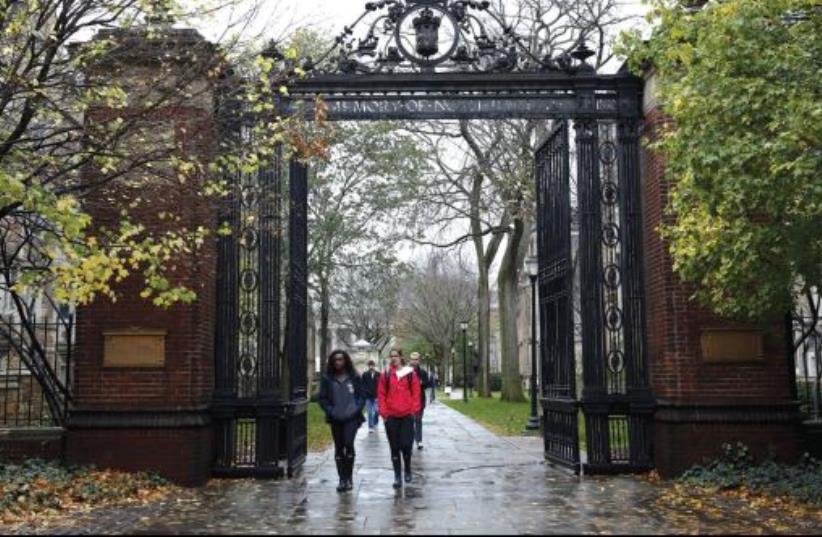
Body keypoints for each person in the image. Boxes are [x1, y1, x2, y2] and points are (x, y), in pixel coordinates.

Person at [317, 349, 366, 493]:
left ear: (346, 361)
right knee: (339, 447)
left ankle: (349, 478)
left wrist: (356, 409)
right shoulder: (327, 378)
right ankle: (342, 479)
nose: (338, 362)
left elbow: (362, 396)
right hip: (336, 417)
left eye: (341, 359)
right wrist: (331, 411)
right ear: (332, 362)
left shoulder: (354, 377)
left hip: (351, 417)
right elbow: (322, 398)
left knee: (348, 444)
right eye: (336, 360)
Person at [378, 348, 421, 489]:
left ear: (401, 357)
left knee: (406, 445)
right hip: (391, 417)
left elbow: (416, 392)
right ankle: (397, 476)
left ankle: (407, 468)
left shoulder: (410, 374)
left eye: (396, 356)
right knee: (394, 447)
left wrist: (414, 411)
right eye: (391, 356)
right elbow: (381, 395)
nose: (393, 359)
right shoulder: (385, 374)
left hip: (407, 416)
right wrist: (384, 414)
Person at [408, 352, 431, 450]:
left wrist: (422, 383)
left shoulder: (423, 372)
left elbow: (428, 384)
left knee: (418, 420)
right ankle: (409, 439)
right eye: (412, 359)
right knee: (409, 421)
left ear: (419, 360)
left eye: (416, 359)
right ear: (410, 360)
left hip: (420, 399)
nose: (414, 361)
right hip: (408, 400)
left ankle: (419, 440)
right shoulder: (405, 372)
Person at [362, 359, 380, 431]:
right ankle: (370, 427)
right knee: (369, 412)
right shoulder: (365, 374)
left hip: (376, 396)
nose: (371, 367)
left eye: (372, 365)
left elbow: (381, 385)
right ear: (368, 366)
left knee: (376, 411)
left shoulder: (379, 374)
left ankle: (375, 423)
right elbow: (362, 385)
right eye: (370, 365)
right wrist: (365, 392)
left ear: (374, 366)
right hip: (368, 397)